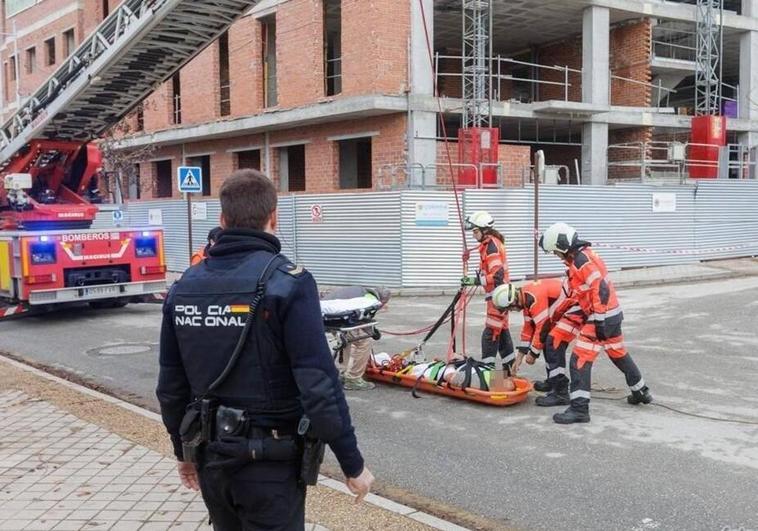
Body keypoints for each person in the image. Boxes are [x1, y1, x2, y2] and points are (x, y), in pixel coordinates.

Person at [156, 169, 374, 529]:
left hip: (212, 461)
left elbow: (170, 386)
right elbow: (318, 384)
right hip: (270, 466)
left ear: (223, 219)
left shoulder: (184, 287)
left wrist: (184, 452)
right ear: (273, 217)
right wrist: (352, 463)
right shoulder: (288, 283)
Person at [539, 222, 653, 424]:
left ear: (563, 246)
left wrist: (599, 321)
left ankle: (579, 409)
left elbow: (600, 290)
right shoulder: (580, 259)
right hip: (607, 315)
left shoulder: (583, 261)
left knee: (579, 360)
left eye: (556, 252)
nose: (556, 256)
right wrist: (557, 315)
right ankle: (640, 391)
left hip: (601, 316)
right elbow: (579, 293)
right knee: (617, 353)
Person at [491, 279, 584, 407]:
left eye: (509, 308)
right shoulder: (525, 297)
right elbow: (528, 328)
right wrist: (519, 359)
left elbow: (542, 326)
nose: (512, 311)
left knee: (553, 342)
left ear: (513, 302)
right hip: (568, 308)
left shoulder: (533, 298)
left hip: (577, 307)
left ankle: (560, 393)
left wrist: (533, 354)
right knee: (548, 341)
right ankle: (553, 382)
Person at [461, 211, 515, 373]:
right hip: (498, 297)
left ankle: (486, 371)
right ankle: (510, 370)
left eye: (476, 232)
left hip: (499, 298)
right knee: (502, 333)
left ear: (485, 230)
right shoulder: (488, 245)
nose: (473, 235)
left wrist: (475, 281)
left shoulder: (491, 246)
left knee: (490, 333)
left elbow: (497, 275)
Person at [321, 286, 391, 391]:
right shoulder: (371, 300)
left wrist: (372, 331)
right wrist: (371, 332)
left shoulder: (360, 290)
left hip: (326, 315)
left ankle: (342, 372)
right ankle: (354, 379)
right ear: (383, 300)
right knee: (364, 342)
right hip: (340, 318)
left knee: (345, 341)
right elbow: (361, 318)